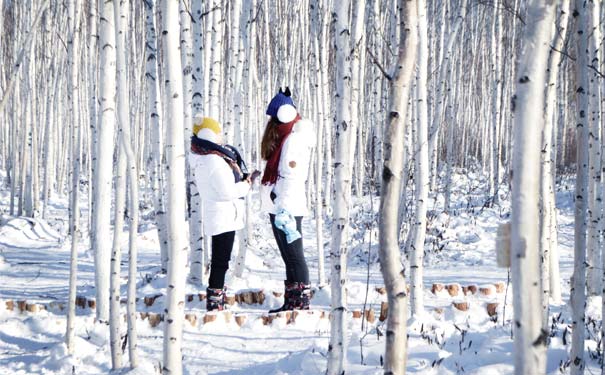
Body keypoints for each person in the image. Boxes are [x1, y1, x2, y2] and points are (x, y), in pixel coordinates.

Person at [189, 115, 259, 311]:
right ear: (208, 134)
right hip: (223, 215)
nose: (221, 136)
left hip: (221, 214)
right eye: (217, 132)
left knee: (221, 259)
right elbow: (227, 191)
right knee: (221, 260)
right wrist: (246, 185)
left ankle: (216, 295)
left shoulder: (210, 157)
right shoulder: (213, 160)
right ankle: (215, 299)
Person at [260, 87, 315, 313]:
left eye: (274, 117)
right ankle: (293, 301)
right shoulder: (288, 139)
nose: (271, 122)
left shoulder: (292, 141)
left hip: (287, 206)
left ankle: (300, 302)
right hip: (283, 204)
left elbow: (291, 176)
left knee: (294, 255)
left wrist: (281, 204)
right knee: (289, 256)